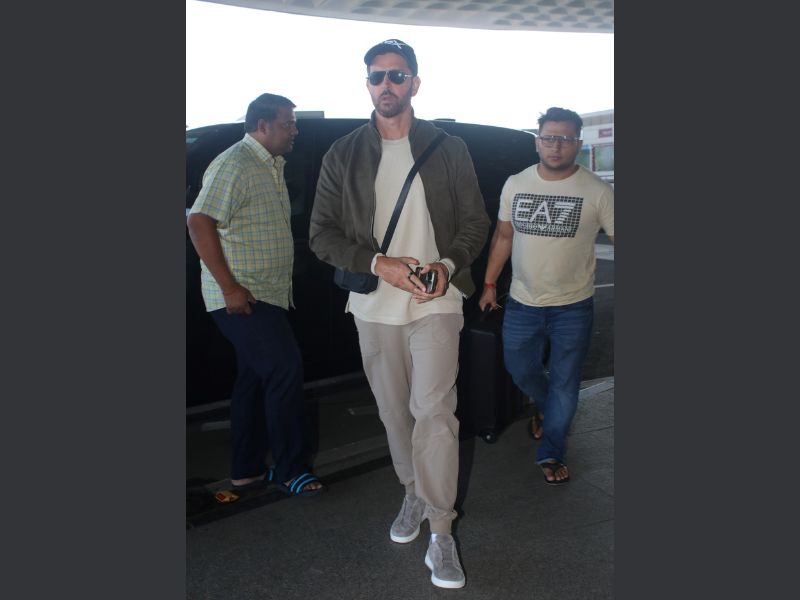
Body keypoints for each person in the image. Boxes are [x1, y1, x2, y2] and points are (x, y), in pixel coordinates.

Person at [309, 39, 489, 589]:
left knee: (435, 413)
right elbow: (321, 235)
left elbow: (475, 222)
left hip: (437, 303)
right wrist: (377, 263)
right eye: (376, 76)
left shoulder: (448, 148)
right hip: (373, 306)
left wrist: (448, 264)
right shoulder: (343, 153)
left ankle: (441, 531)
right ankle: (412, 493)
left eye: (396, 74)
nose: (385, 84)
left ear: (415, 82)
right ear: (367, 84)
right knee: (395, 415)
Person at [187, 93, 324, 498]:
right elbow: (199, 222)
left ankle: (246, 470)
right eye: (288, 123)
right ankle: (291, 469)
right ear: (262, 126)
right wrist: (230, 287)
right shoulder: (236, 163)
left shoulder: (270, 164)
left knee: (253, 378)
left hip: (265, 292)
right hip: (243, 293)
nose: (295, 130)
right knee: (284, 370)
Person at [479, 106, 614, 485]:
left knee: (566, 383)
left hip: (573, 307)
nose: (556, 146)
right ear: (537, 142)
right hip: (522, 303)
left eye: (565, 139)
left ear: (577, 143)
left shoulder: (598, 191)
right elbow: (503, 236)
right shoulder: (516, 183)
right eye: (549, 138)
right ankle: (545, 404)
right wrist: (489, 284)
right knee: (520, 369)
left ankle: (552, 451)